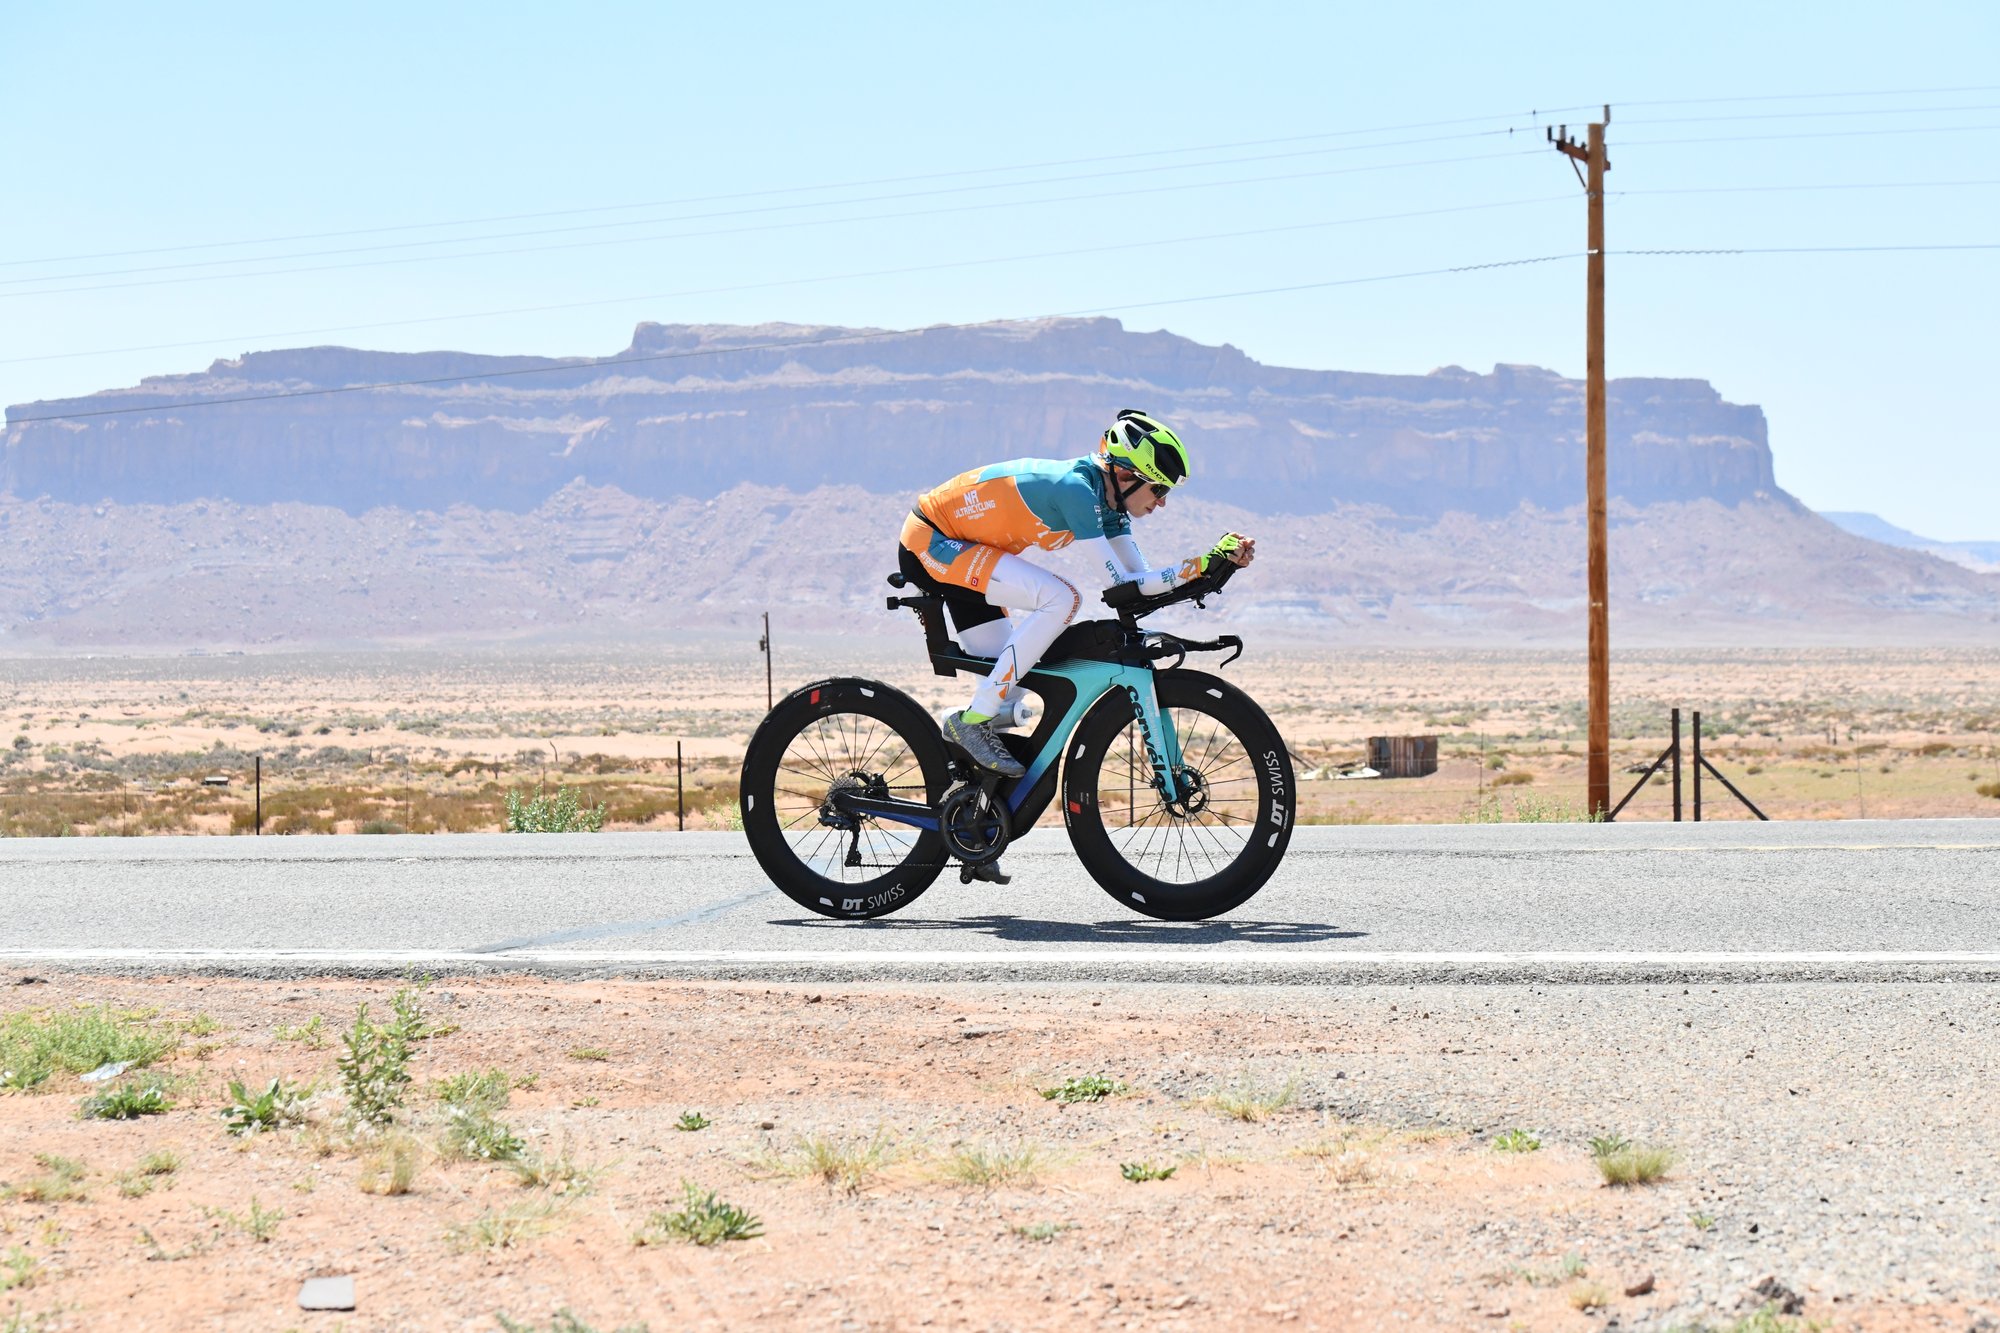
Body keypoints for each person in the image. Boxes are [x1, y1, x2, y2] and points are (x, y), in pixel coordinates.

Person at [897, 408, 1255, 780]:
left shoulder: (1110, 503)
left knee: (1007, 696)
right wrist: (1200, 562)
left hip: (964, 548)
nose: (1162, 501)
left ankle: (966, 796)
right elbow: (1121, 585)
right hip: (931, 542)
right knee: (1061, 598)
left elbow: (1139, 580)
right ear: (1125, 475)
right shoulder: (1077, 491)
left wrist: (1217, 565)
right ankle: (969, 722)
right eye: (1159, 488)